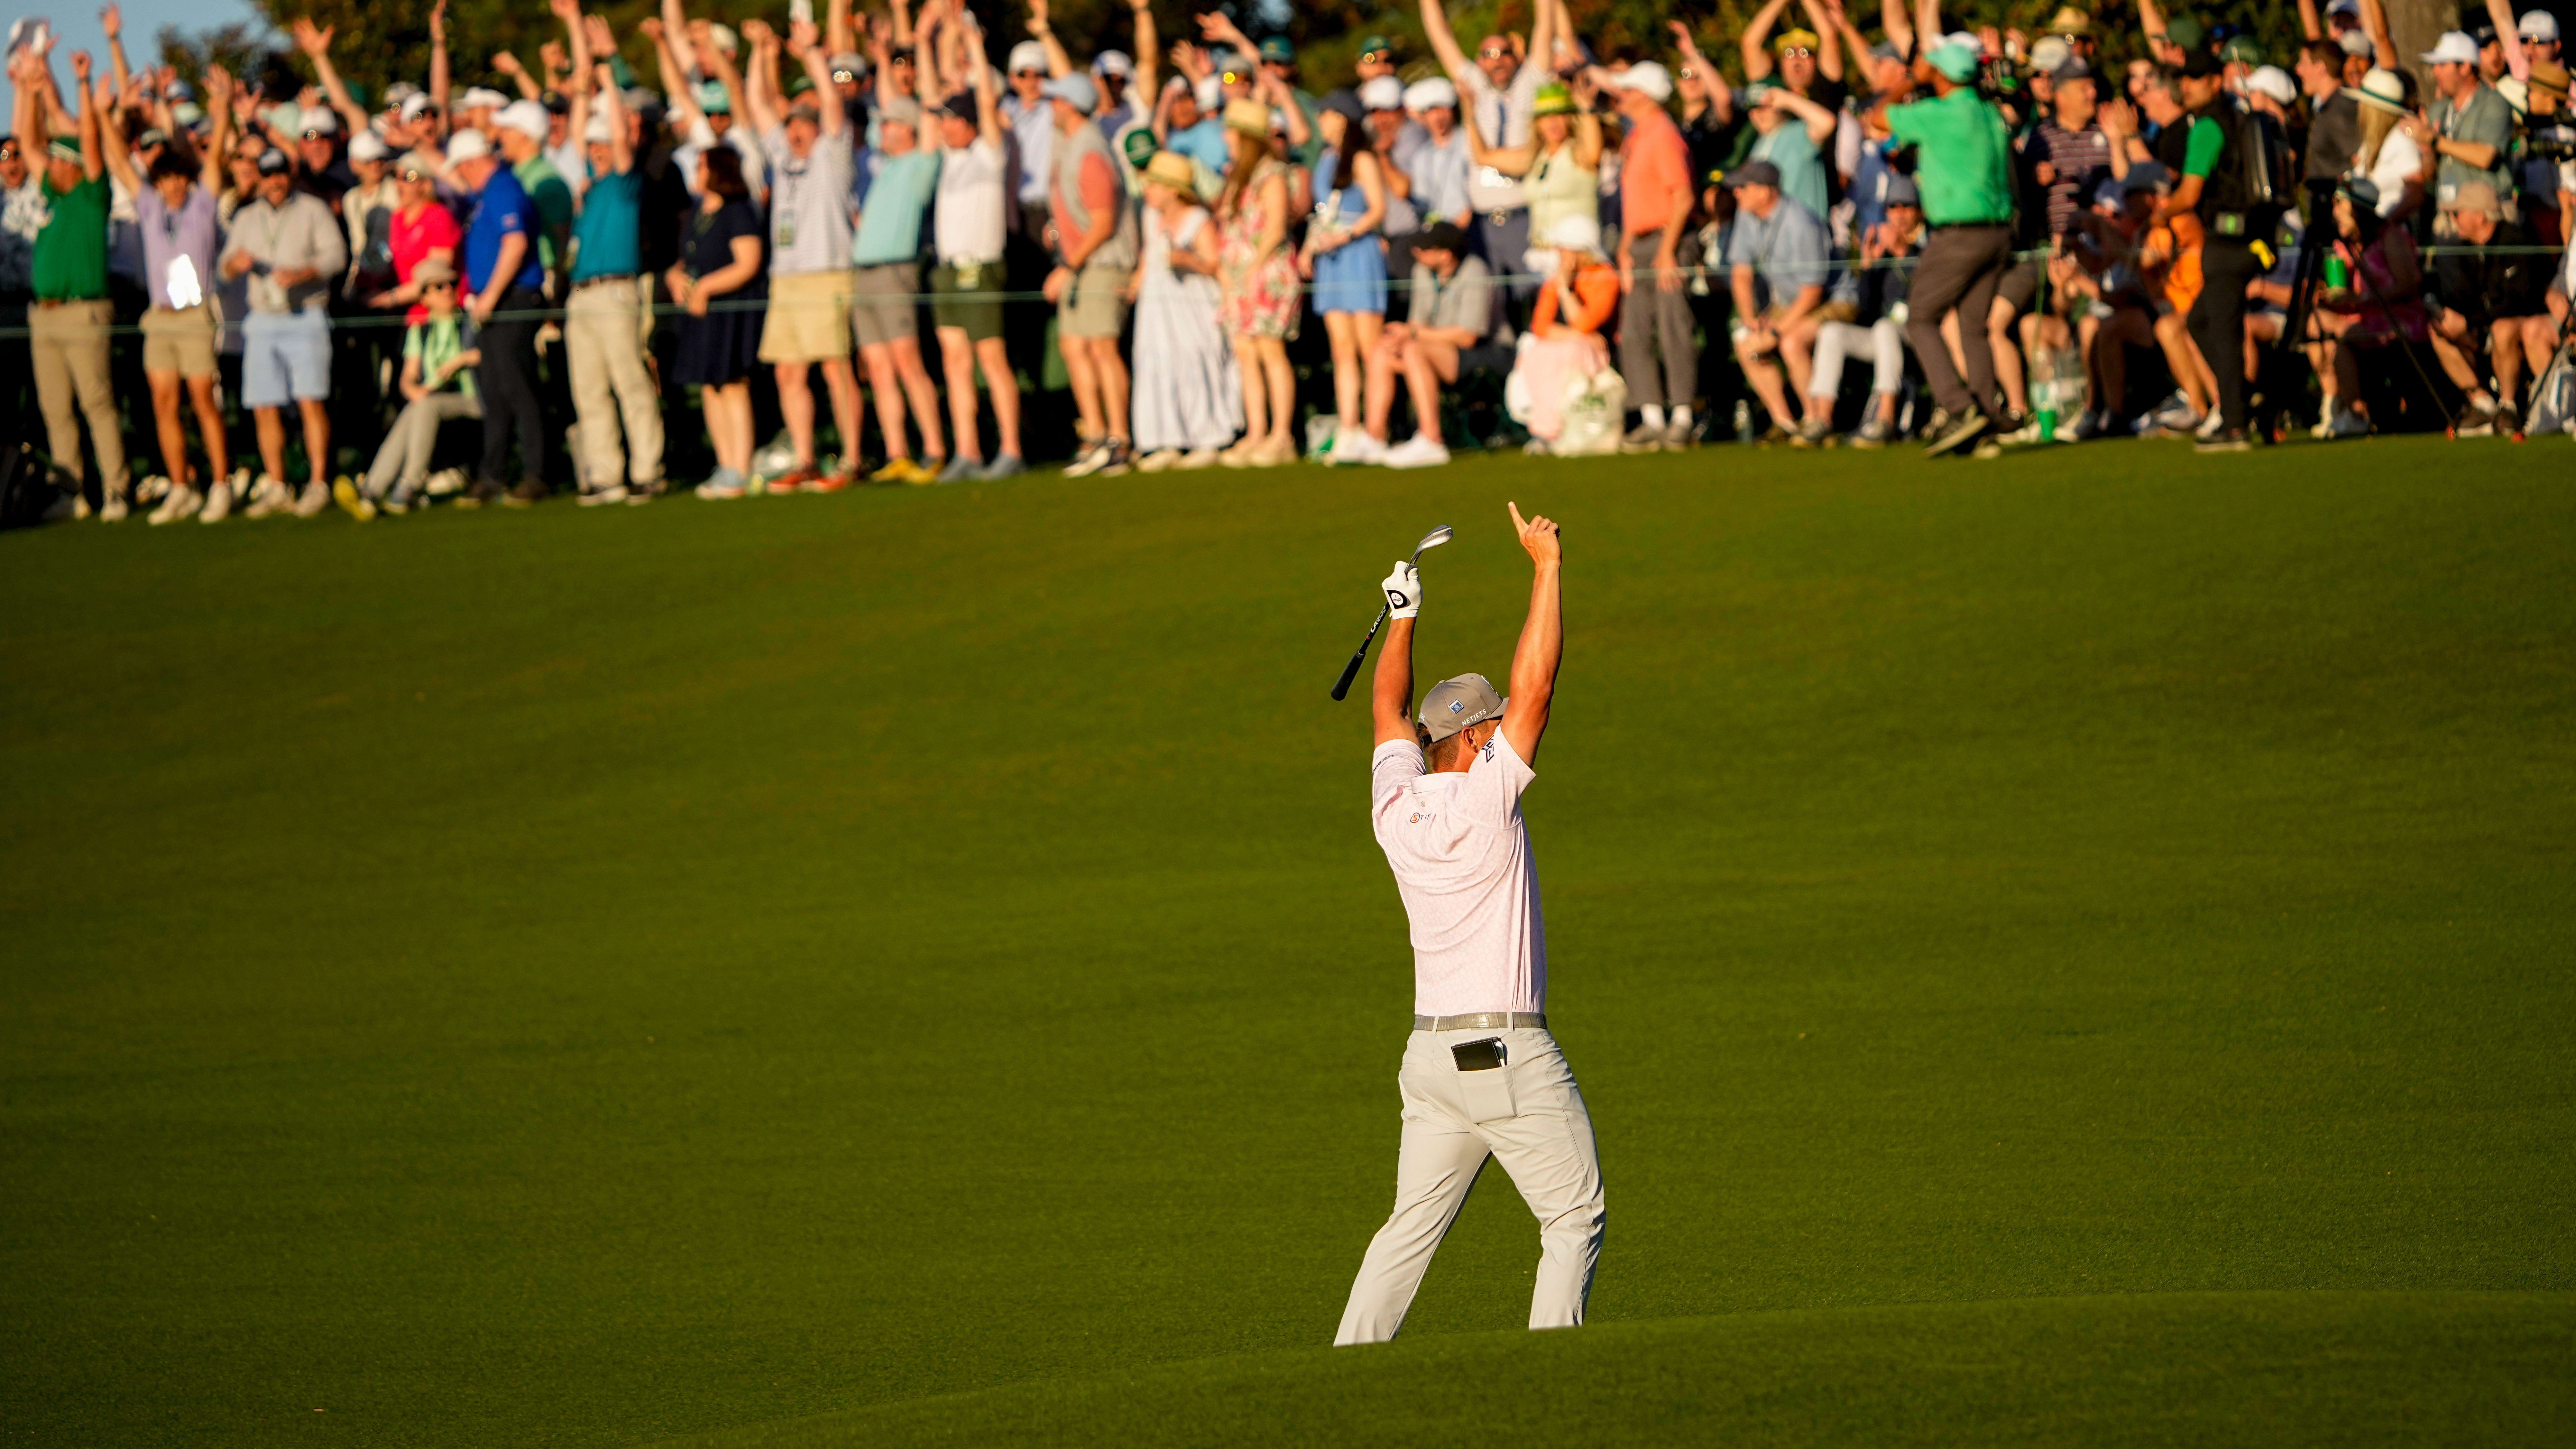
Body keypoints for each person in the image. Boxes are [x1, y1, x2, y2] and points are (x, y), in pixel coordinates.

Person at [1336, 500, 1601, 1348]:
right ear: (1479, 737)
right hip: (1507, 1054)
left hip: (1430, 1063)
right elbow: (1541, 687)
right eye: (1493, 724)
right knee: (1572, 1216)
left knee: (1406, 1233)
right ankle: (1556, 1379)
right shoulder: (1492, 795)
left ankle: (1346, 1367)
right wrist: (1547, 569)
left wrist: (1402, 620)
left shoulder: (1394, 804)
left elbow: (1387, 711)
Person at [1872, 26, 2016, 456]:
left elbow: (1877, 117)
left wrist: (1908, 82)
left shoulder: (1939, 112)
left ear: (1944, 76)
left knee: (1920, 318)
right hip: (1997, 234)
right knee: (1973, 328)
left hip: (1958, 235)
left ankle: (1959, 407)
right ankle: (1985, 422)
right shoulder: (1989, 112)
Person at [100, 58, 231, 523]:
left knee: (202, 402)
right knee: (164, 404)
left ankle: (220, 485)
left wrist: (223, 108)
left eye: (179, 177)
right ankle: (181, 487)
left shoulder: (201, 205)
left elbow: (214, 159)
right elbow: (118, 159)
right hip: (160, 318)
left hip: (194, 316)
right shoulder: (151, 207)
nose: (173, 185)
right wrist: (101, 114)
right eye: (166, 179)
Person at [749, 18, 864, 492]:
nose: (795, 130)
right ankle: (806, 458)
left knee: (836, 368)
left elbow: (833, 101)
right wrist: (761, 52)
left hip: (827, 274)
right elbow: (757, 105)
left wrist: (814, 55)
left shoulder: (830, 157)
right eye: (792, 122)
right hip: (788, 278)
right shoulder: (784, 159)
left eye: (804, 123)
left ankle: (853, 459)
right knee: (788, 372)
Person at [18, 48, 129, 520]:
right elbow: (25, 138)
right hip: (43, 314)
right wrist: (25, 86)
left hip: (85, 312)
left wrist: (81, 85)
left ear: (73, 166)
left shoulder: (91, 194)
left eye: (58, 161)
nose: (50, 165)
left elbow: (87, 135)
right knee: (56, 410)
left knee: (97, 403)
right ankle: (72, 493)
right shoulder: (50, 192)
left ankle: (118, 491)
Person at [564, 32, 665, 506]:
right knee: (590, 391)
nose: (599, 148)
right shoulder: (588, 188)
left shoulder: (626, 184)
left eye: (604, 143)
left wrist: (606, 74)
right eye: (595, 145)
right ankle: (607, 475)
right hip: (581, 294)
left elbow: (620, 135)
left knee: (630, 383)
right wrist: (583, 84)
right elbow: (581, 126)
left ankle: (648, 470)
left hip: (616, 292)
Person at [220, 141, 346, 519]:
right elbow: (222, 269)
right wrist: (234, 266)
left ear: (289, 175)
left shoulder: (313, 209)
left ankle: (318, 483)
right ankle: (278, 484)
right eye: (268, 174)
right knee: (264, 405)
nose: (274, 182)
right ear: (259, 177)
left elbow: (336, 256)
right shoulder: (246, 217)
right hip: (261, 319)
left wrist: (304, 272)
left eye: (279, 174)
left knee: (311, 400)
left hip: (305, 314)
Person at [2158, 49, 2271, 452]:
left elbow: (2189, 194)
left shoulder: (2208, 125)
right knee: (2202, 322)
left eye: (2194, 78)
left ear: (2214, 81)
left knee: (2222, 331)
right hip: (2248, 240)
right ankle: (2240, 397)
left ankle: (2235, 425)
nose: (2185, 86)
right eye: (2182, 79)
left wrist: (2159, 215)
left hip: (2227, 242)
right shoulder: (2235, 117)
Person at [926, 19, 1024, 482]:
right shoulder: (952, 158)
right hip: (947, 272)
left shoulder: (989, 153)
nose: (943, 127)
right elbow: (935, 84)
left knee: (991, 359)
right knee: (955, 362)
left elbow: (987, 99)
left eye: (949, 120)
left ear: (966, 124)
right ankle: (967, 451)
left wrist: (975, 48)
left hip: (981, 268)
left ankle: (1010, 449)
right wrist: (941, 37)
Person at [1044, 70, 1139, 478]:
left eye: (1057, 100)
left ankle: (1120, 440)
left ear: (1069, 105)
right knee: (1074, 346)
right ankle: (1096, 436)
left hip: (1101, 262)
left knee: (1102, 347)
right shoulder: (1070, 144)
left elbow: (1103, 221)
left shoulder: (1090, 149)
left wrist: (1068, 265)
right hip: (1082, 262)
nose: (1052, 106)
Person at [851, 91, 948, 484]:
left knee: (907, 361)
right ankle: (897, 453)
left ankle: (934, 450)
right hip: (864, 273)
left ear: (908, 129)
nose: (882, 128)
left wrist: (920, 45)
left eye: (889, 123)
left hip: (895, 272)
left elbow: (930, 125)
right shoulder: (884, 166)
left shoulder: (921, 164)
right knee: (878, 368)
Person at [445, 128, 546, 504]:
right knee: (494, 389)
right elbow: (450, 177)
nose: (463, 175)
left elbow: (515, 243)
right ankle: (494, 474)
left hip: (512, 299)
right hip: (494, 303)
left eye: (464, 168)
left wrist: (489, 296)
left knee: (518, 387)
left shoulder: (503, 187)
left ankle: (535, 474)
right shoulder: (486, 192)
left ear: (474, 162)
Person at [1352, 219, 1503, 469]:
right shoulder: (1421, 272)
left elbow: (1468, 336)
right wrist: (1400, 337)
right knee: (1381, 351)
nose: (1417, 252)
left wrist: (1412, 333)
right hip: (1434, 354)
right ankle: (1374, 437)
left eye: (1425, 249)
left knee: (1413, 349)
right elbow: (1416, 325)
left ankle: (1432, 439)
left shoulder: (1475, 270)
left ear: (1445, 255)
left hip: (1485, 354)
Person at [1126, 149, 1239, 469]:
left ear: (1173, 190)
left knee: (1193, 359)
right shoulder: (1150, 217)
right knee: (1159, 361)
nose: (1147, 191)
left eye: (1154, 185)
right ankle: (1164, 439)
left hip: (1192, 307)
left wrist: (1187, 260)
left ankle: (1207, 437)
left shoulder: (1198, 221)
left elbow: (1214, 264)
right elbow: (1149, 257)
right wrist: (1135, 284)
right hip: (1157, 307)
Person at [1606, 62, 1699, 452]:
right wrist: (1626, 246)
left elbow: (1683, 196)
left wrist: (1666, 251)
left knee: (1673, 325)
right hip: (1643, 243)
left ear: (1643, 95)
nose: (1621, 97)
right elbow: (1637, 201)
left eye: (1627, 90)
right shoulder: (1640, 135)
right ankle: (1651, 417)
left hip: (1668, 241)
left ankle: (1682, 416)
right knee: (1635, 331)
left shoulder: (1662, 134)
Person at [668, 144, 768, 498]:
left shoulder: (737, 211)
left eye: (702, 166)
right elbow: (686, 259)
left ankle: (740, 468)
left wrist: (707, 287)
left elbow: (749, 261)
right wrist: (676, 278)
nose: (696, 172)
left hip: (731, 310)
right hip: (700, 312)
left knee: (732, 383)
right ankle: (724, 464)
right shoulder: (697, 212)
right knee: (710, 385)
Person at [2427, 181, 2553, 435]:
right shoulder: (2468, 250)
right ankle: (2483, 404)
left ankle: (2508, 407)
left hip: (2524, 327)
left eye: (2457, 213)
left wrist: (2471, 322)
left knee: (2503, 328)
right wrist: (2452, 316)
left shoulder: (2516, 241)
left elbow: (2518, 301)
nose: (2453, 220)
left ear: (2479, 216)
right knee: (2438, 329)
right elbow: (2466, 298)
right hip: (2484, 327)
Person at [1809, 174, 1925, 448]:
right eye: (1894, 208)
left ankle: (1885, 419)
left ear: (1920, 212)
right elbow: (1866, 312)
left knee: (1885, 328)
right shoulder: (1880, 255)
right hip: (1886, 339)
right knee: (1832, 332)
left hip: (1920, 335)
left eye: (1907, 207)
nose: (1900, 215)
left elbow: (1924, 300)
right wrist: (1869, 270)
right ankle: (1822, 419)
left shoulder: (1927, 251)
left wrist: (1902, 253)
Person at [1305, 103, 1390, 466]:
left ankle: (1375, 431)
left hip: (1357, 253)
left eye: (1325, 114)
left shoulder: (1363, 160)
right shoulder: (1325, 159)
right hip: (1331, 261)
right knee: (1342, 350)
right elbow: (1322, 213)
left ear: (1340, 117)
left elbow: (1378, 209)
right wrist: (1311, 247)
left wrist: (1346, 236)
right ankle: (1349, 428)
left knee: (1370, 348)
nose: (1320, 121)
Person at [1214, 97, 1298, 466]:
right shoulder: (1238, 175)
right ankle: (1257, 432)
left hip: (1268, 274)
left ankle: (1282, 435)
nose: (1225, 136)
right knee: (1246, 354)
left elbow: (1276, 227)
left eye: (1231, 131)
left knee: (1270, 351)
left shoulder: (1272, 173)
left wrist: (1252, 270)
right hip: (1239, 276)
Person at [2305, 175, 2424, 438]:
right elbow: (2345, 291)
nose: (2335, 212)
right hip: (2362, 317)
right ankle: (2333, 404)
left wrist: (2362, 299)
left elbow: (2409, 284)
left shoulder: (2390, 237)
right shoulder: (2343, 244)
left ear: (2358, 208)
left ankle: (2356, 412)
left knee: (2344, 337)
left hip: (2399, 318)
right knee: (2316, 323)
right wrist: (2332, 295)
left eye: (2340, 204)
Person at [360, 256, 480, 513]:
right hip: (436, 401)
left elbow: (487, 355)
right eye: (439, 287)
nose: (448, 290)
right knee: (418, 406)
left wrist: (459, 361)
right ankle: (374, 489)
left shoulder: (471, 322)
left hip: (474, 398)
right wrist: (415, 391)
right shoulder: (421, 331)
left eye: (451, 284)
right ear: (424, 298)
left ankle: (409, 485)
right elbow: (408, 377)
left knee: (425, 407)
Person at [1511, 213, 1620, 453]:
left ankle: (1562, 429)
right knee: (1538, 354)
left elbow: (1585, 323)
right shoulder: (1556, 279)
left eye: (1564, 248)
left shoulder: (1604, 277)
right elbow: (1540, 327)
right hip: (1569, 345)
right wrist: (1577, 334)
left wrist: (1565, 290)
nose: (1559, 253)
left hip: (1600, 352)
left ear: (1579, 250)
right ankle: (1545, 431)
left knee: (1568, 352)